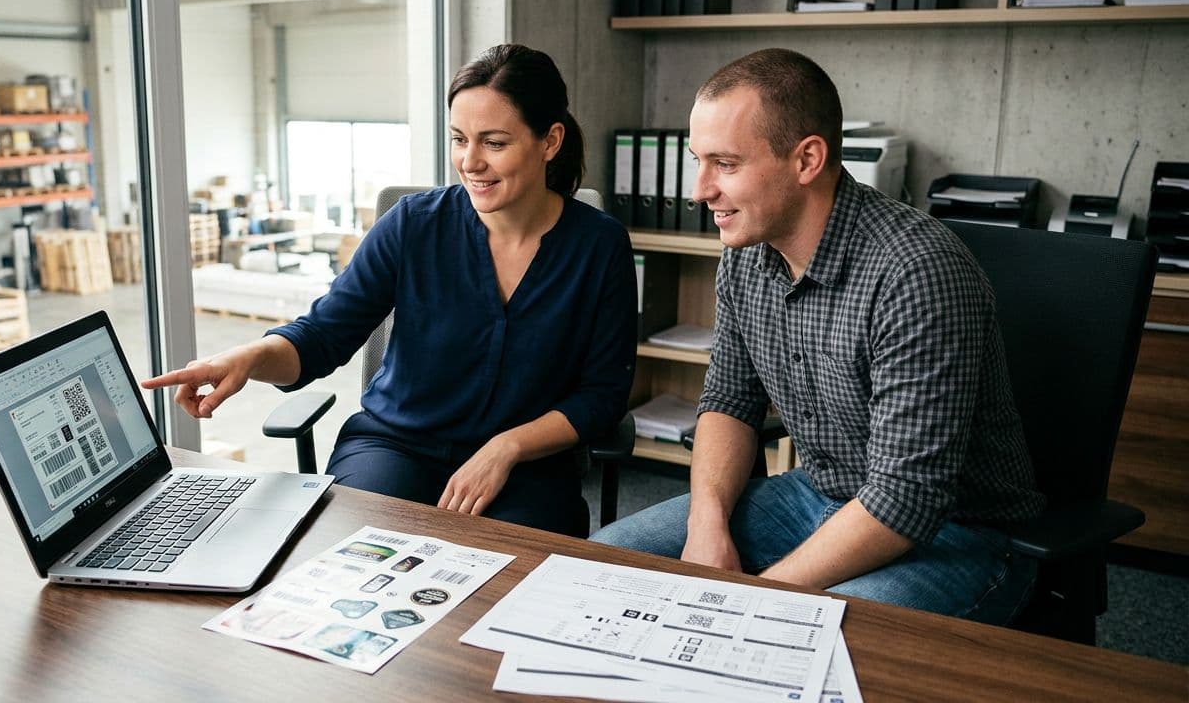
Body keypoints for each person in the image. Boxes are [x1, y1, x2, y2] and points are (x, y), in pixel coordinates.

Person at [590, 48, 1045, 624]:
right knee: (602, 564)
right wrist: (707, 526)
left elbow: (906, 499)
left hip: (955, 536)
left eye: (725, 164)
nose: (699, 190)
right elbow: (729, 401)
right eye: (697, 160)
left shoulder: (917, 272)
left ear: (807, 159)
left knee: (789, 639)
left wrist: (749, 598)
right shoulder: (747, 255)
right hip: (818, 494)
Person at [143, 43, 636, 537]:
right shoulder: (413, 226)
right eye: (459, 139)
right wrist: (249, 358)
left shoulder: (599, 246)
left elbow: (603, 394)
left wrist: (508, 447)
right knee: (348, 553)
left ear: (550, 141)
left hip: (527, 468)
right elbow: (323, 335)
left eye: (494, 143)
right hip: (396, 447)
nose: (470, 162)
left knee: (516, 570)